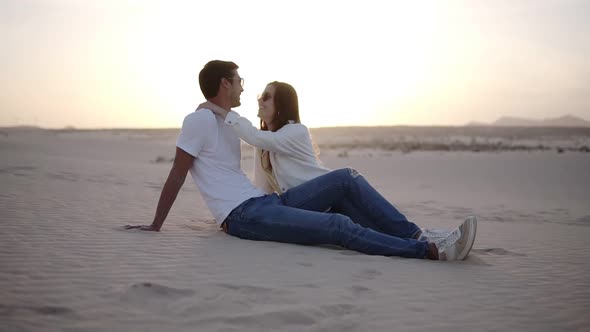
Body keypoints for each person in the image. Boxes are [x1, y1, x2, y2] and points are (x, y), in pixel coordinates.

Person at [125, 60, 476, 261]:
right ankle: (427, 251)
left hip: (262, 203)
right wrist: (156, 224)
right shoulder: (199, 119)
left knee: (344, 180)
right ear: (224, 83)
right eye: (239, 81)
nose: (244, 88)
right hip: (243, 215)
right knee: (340, 226)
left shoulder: (227, 123)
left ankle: (421, 234)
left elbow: (248, 170)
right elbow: (178, 172)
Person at [198, 81, 475, 250]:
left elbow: (255, 135)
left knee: (372, 225)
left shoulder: (294, 131)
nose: (259, 99)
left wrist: (223, 111)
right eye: (261, 94)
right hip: (293, 203)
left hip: (315, 198)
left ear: (281, 105)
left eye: (266, 96)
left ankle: (425, 240)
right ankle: (419, 236)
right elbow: (261, 179)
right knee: (346, 178)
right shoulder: (266, 142)